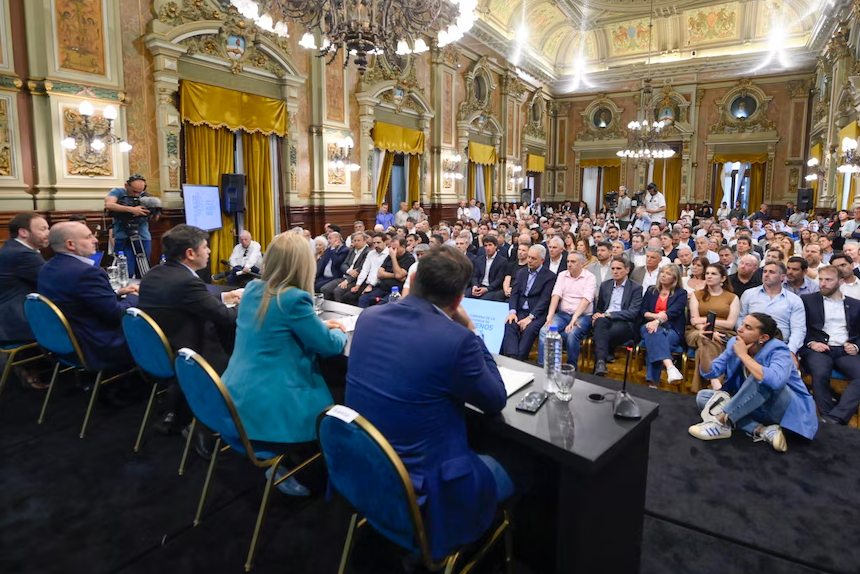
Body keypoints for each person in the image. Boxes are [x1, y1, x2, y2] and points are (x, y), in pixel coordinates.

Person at [346, 246, 513, 560]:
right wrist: (472, 331)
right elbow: (495, 400)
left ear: (415, 280)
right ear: (459, 299)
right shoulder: (456, 340)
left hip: (365, 470)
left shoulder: (369, 317)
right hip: (424, 489)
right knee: (523, 464)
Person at [222, 232, 347, 496]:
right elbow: (328, 346)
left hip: (236, 392)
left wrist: (319, 325)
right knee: (340, 395)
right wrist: (339, 330)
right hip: (273, 403)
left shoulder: (254, 289)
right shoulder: (294, 299)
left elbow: (273, 327)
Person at [138, 224, 242, 440]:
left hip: (156, 352)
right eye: (206, 247)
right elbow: (227, 317)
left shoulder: (155, 273)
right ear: (190, 253)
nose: (209, 251)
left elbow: (185, 301)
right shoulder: (187, 282)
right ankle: (209, 422)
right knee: (241, 346)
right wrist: (251, 302)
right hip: (191, 355)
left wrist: (225, 297)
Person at [688, 313, 818, 452]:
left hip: (782, 409)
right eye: (742, 324)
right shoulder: (735, 343)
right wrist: (705, 347)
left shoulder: (778, 349)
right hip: (752, 404)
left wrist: (743, 355)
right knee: (704, 397)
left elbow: (775, 382)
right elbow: (710, 372)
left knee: (762, 379)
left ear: (763, 338)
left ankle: (721, 422)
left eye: (748, 327)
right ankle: (762, 430)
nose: (740, 329)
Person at [38, 221, 139, 369]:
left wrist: (118, 292)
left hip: (67, 342)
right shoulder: (87, 272)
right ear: (71, 244)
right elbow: (117, 314)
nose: (96, 240)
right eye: (88, 236)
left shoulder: (47, 267)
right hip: (99, 346)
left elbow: (80, 301)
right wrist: (135, 296)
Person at [799, 266, 860, 425]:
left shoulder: (855, 304)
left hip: (845, 350)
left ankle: (834, 419)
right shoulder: (807, 300)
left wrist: (856, 346)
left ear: (840, 281)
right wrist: (811, 343)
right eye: (821, 279)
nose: (823, 284)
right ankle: (829, 418)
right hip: (818, 348)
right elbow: (799, 327)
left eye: (828, 280)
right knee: (820, 372)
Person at [0, 213, 50, 387]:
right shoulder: (22, 254)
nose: (48, 233)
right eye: (43, 229)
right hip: (15, 321)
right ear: (23, 232)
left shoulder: (12, 248)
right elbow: (53, 282)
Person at [737, 261, 806, 367]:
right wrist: (744, 337)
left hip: (780, 344)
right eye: (765, 271)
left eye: (771, 272)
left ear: (782, 277)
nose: (766, 274)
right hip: (751, 343)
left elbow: (798, 329)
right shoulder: (749, 294)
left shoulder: (794, 300)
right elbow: (741, 318)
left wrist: (791, 350)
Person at [685, 263, 739, 392]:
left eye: (713, 274)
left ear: (723, 279)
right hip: (697, 331)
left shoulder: (732, 297)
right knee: (705, 338)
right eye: (707, 273)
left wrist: (705, 320)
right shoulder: (696, 295)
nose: (709, 276)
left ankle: (703, 388)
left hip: (724, 333)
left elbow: (730, 324)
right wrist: (709, 330)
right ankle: (717, 387)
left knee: (704, 346)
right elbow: (694, 321)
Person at [538, 251, 595, 369]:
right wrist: (550, 315)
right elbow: (556, 295)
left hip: (582, 315)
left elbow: (586, 299)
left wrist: (574, 318)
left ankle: (571, 367)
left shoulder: (590, 277)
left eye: (573, 262)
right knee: (544, 330)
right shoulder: (562, 275)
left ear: (582, 264)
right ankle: (544, 366)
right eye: (568, 261)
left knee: (572, 333)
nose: (569, 264)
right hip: (563, 315)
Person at [592, 257, 643, 376]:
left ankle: (600, 362)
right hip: (605, 320)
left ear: (627, 270)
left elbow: (633, 313)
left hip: (625, 322)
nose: (615, 271)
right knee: (599, 322)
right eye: (613, 268)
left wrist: (609, 314)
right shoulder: (605, 285)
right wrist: (596, 314)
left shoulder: (636, 288)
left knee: (601, 335)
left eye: (619, 269)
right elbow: (600, 308)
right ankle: (601, 363)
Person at [502, 245, 555, 360]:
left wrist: (530, 318)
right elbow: (514, 294)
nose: (529, 261)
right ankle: (512, 357)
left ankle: (520, 359)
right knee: (510, 323)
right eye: (529, 257)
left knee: (530, 329)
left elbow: (544, 300)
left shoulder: (549, 276)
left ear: (542, 260)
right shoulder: (521, 273)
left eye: (533, 258)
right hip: (521, 309)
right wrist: (512, 311)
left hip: (537, 313)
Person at [104, 174, 159, 278]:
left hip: (143, 237)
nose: (137, 195)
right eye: (134, 191)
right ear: (126, 186)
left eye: (140, 192)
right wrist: (132, 210)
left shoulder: (146, 196)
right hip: (123, 236)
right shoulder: (118, 192)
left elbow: (154, 219)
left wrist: (154, 212)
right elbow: (109, 205)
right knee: (125, 270)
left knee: (143, 270)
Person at [639, 264, 686, 384]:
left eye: (668, 274)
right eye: (662, 272)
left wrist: (658, 321)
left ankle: (652, 383)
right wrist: (655, 317)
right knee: (653, 332)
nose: (664, 275)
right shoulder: (651, 290)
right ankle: (670, 367)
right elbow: (643, 311)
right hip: (649, 325)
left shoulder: (681, 293)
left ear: (675, 278)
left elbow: (673, 312)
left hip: (672, 328)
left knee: (654, 340)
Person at [357, 236, 414, 308]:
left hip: (395, 291)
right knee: (363, 299)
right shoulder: (389, 256)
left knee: (379, 306)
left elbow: (399, 275)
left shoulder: (409, 259)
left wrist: (393, 257)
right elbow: (379, 274)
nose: (392, 251)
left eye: (395, 248)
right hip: (382, 289)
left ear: (403, 247)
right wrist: (394, 275)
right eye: (391, 248)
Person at [343, 232, 389, 306]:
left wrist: (371, 285)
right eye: (374, 243)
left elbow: (379, 273)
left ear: (385, 242)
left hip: (378, 284)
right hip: (367, 282)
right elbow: (365, 270)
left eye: (378, 242)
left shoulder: (389, 254)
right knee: (348, 297)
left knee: (363, 299)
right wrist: (358, 285)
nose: (376, 245)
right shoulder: (371, 253)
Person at [467, 236, 506, 301]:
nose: (488, 248)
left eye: (490, 245)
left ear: (496, 246)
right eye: (485, 245)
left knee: (483, 300)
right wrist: (475, 285)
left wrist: (487, 289)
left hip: (492, 289)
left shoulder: (502, 261)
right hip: (479, 285)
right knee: (466, 295)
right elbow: (475, 276)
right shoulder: (479, 259)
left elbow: (499, 280)